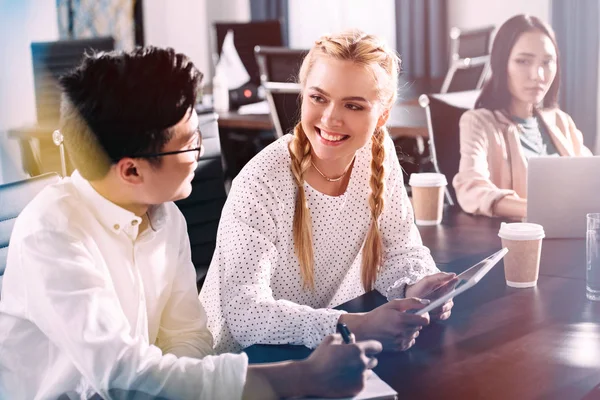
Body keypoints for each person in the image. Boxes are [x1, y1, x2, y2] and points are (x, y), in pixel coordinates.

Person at [0, 47, 383, 400]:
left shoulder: (164, 215)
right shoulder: (51, 234)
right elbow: (121, 373)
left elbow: (187, 337)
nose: (199, 153)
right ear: (131, 169)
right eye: (188, 144)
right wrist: (301, 376)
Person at [200, 30, 456, 354]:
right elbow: (246, 314)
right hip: (242, 366)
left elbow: (399, 249)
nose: (331, 118)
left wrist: (418, 286)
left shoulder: (377, 152)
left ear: (383, 116)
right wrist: (352, 326)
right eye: (318, 98)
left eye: (353, 105)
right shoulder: (260, 182)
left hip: (320, 353)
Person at [453, 14, 592, 220]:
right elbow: (471, 188)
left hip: (571, 237)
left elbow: (591, 178)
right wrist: (538, 210)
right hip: (519, 242)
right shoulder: (478, 123)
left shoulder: (560, 122)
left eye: (547, 62)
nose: (538, 75)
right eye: (523, 61)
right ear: (502, 64)